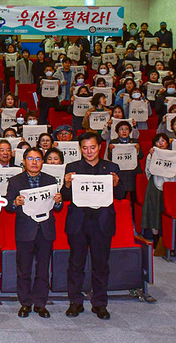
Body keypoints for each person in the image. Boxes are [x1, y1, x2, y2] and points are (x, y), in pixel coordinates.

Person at [61, 132, 123, 320]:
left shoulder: (111, 167)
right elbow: (64, 196)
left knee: (101, 265)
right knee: (76, 264)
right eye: (85, 148)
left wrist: (117, 184)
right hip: (78, 223)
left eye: (93, 147)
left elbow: (120, 195)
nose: (89, 151)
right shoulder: (72, 168)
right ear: (80, 149)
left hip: (102, 223)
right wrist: (66, 184)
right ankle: (75, 302)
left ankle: (99, 304)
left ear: (99, 147)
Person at [6, 147, 62, 318]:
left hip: (45, 230)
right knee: (23, 269)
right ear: (23, 162)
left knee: (43, 269)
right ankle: (25, 303)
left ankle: (40, 303)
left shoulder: (51, 180)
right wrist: (15, 202)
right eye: (30, 159)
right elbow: (8, 205)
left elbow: (57, 207)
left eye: (38, 159)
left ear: (42, 162)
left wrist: (59, 202)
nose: (34, 162)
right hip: (25, 230)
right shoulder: (15, 181)